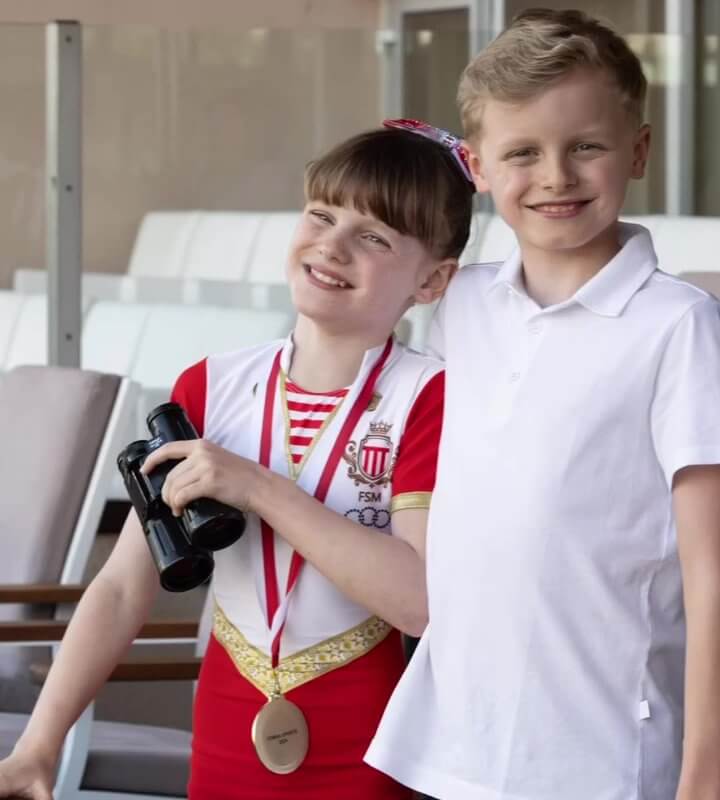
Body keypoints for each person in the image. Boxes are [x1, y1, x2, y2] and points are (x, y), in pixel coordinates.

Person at [0, 125, 474, 800]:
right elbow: (121, 587)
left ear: (432, 280)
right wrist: (38, 746)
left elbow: (419, 603)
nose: (332, 245)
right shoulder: (211, 386)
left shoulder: (430, 396)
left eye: (374, 237)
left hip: (370, 741)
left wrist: (258, 487)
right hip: (225, 722)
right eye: (321, 214)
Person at [365, 9, 720, 800]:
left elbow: (712, 570)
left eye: (585, 146)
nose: (556, 175)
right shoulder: (461, 301)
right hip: (455, 749)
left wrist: (706, 770)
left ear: (639, 150)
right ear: (478, 166)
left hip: (604, 761)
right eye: (522, 152)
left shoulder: (680, 328)